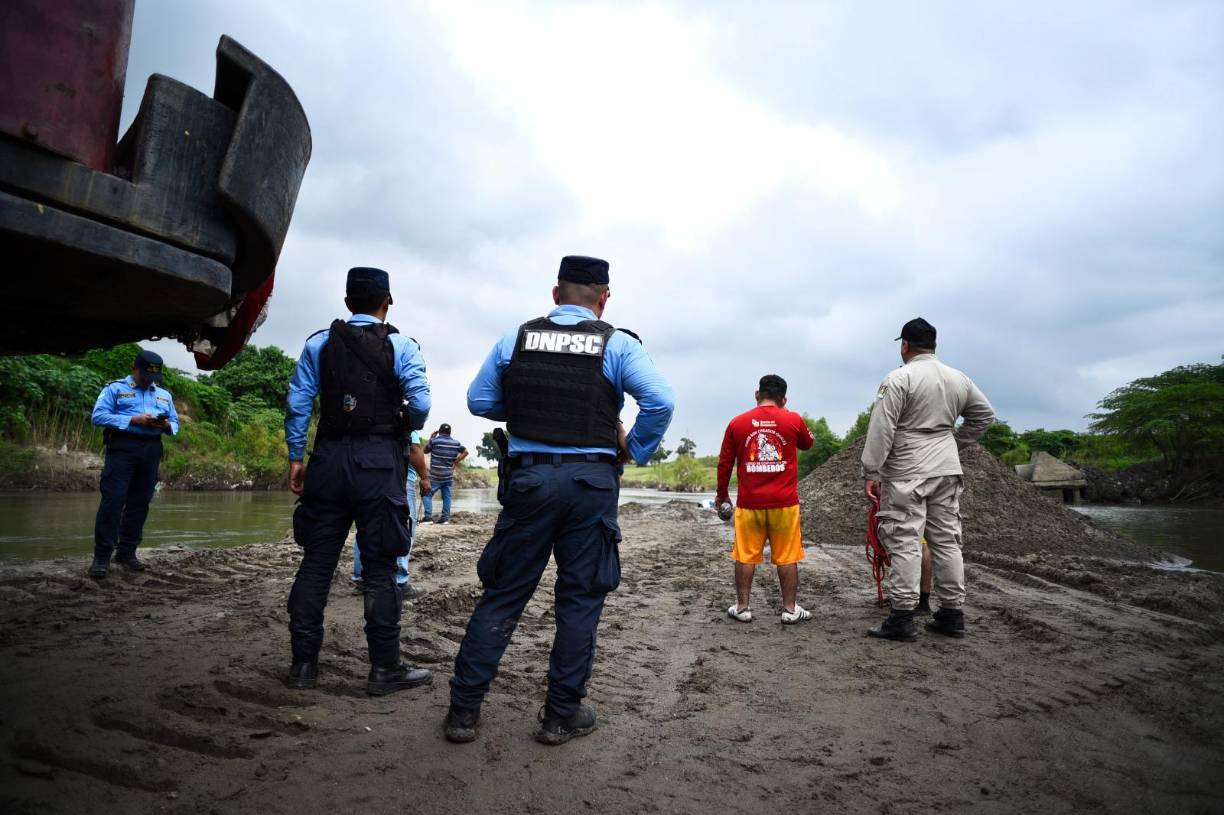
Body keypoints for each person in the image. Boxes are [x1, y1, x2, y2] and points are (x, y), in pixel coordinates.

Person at [444, 255, 674, 745]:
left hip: (528, 483)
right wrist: (635, 448)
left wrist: (526, 407)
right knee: (580, 600)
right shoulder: (619, 343)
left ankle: (463, 712)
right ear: (604, 298)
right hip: (591, 484)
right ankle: (560, 715)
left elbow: (479, 401)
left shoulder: (516, 337)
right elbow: (660, 402)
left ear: (555, 294)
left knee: (503, 593)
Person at [283, 266, 433, 694]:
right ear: (388, 302)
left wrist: (297, 457)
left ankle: (303, 667)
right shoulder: (403, 345)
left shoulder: (319, 342)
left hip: (328, 459)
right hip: (379, 462)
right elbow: (421, 400)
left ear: (348, 303)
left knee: (315, 563)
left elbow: (297, 404)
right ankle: (384, 668)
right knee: (382, 569)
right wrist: (406, 424)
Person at [862, 318, 995, 641]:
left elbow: (883, 429)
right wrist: (953, 442)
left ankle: (902, 616)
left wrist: (871, 470)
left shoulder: (899, 378)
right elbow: (984, 416)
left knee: (905, 539)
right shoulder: (958, 378)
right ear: (934, 345)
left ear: (904, 345)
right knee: (948, 540)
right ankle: (951, 613)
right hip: (947, 468)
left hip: (908, 469)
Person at [716, 375, 815, 624]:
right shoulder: (793, 419)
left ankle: (742, 608)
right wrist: (786, 414)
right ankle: (790, 610)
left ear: (757, 394)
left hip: (750, 505)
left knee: (745, 555)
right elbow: (808, 443)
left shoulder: (737, 423)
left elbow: (725, 463)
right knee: (788, 555)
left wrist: (722, 495)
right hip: (785, 504)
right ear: (784, 399)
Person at [88, 350, 179, 578]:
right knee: (113, 500)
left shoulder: (164, 395)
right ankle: (101, 557)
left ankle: (127, 551)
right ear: (134, 369)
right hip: (122, 448)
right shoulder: (115, 389)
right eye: (146, 375)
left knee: (140, 502)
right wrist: (132, 419)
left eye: (154, 377)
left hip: (151, 449)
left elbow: (175, 423)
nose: (149, 381)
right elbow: (98, 416)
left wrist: (165, 425)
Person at [353, 428, 430, 600]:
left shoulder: (365, 418)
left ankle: (361, 577)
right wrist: (424, 477)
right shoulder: (403, 419)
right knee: (403, 529)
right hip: (399, 480)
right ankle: (399, 581)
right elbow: (414, 449)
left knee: (366, 528)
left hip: (366, 477)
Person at [421, 423, 467, 523]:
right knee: (447, 496)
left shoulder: (435, 441)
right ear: (450, 432)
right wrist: (455, 462)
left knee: (426, 494)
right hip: (448, 476)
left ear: (440, 431)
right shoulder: (456, 443)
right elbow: (466, 452)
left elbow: (424, 451)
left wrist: (431, 438)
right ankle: (445, 518)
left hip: (435, 476)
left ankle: (428, 518)